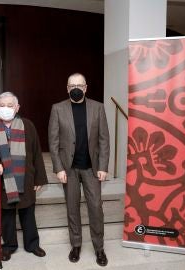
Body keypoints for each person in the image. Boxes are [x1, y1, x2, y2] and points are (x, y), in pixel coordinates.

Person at [0, 92, 48, 262]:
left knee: (28, 212)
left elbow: (37, 153)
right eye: (2, 105)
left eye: (10, 105)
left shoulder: (28, 125)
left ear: (17, 108)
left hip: (25, 178)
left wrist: (39, 178)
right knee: (7, 215)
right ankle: (8, 246)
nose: (6, 109)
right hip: (2, 179)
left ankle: (32, 244)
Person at [48, 73, 110, 266]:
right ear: (67, 88)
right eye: (72, 85)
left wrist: (103, 166)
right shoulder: (57, 109)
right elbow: (53, 141)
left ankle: (99, 248)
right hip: (69, 169)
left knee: (96, 208)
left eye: (79, 85)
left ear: (85, 87)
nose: (76, 88)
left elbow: (104, 140)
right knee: (72, 208)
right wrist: (58, 168)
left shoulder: (98, 108)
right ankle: (76, 245)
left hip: (92, 169)